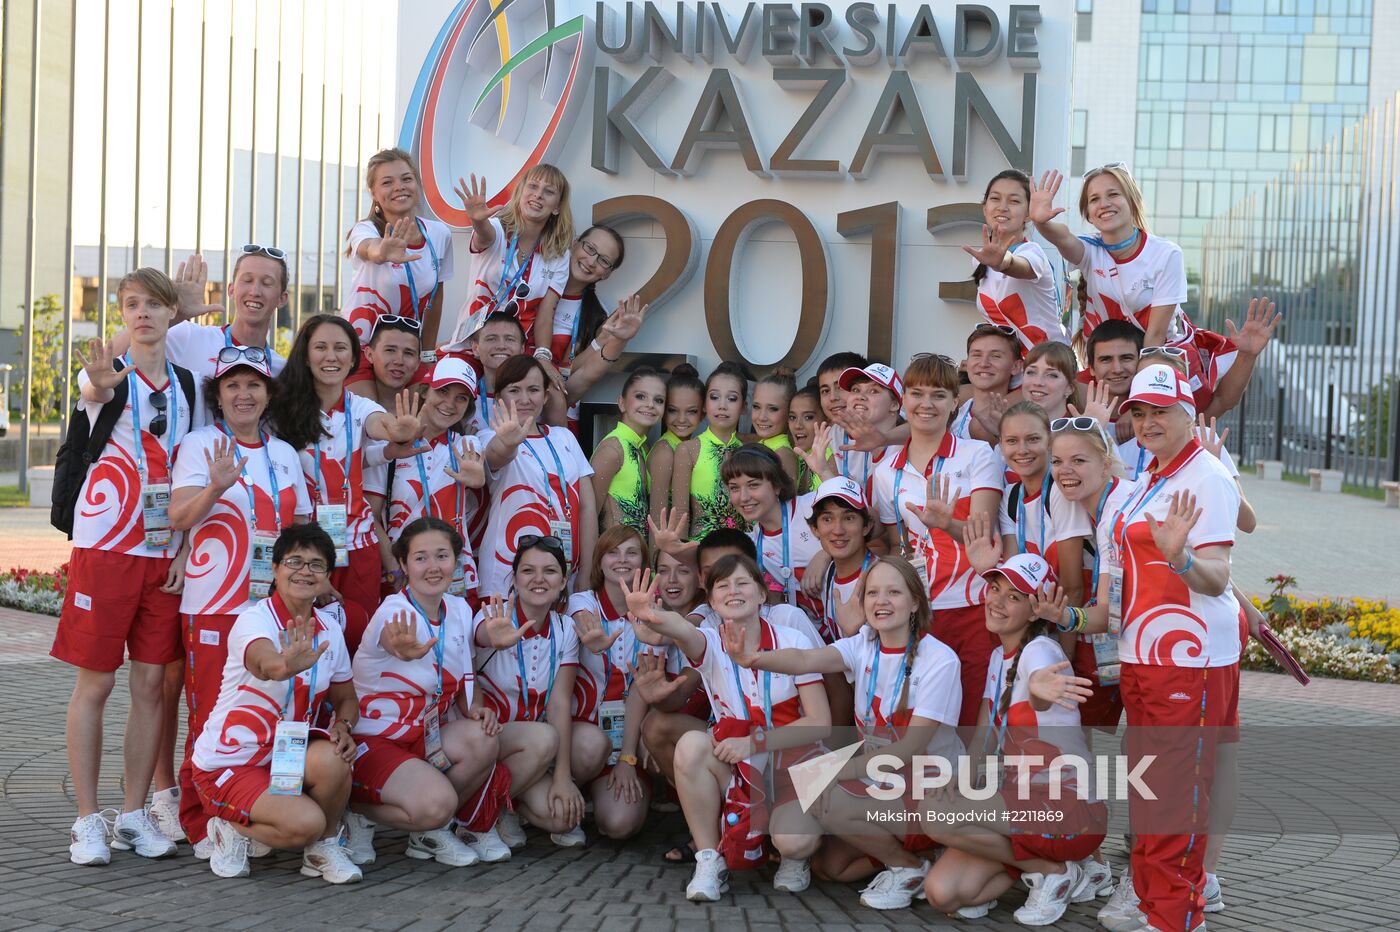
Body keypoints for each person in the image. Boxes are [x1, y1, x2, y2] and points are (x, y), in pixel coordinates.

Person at [1061, 363, 1241, 932]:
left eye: (1160, 410)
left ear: (1189, 411)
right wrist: (1061, 615)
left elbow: (1217, 577)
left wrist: (1180, 556)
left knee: (1173, 798)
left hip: (1189, 661)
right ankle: (1154, 903)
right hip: (1140, 660)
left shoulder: (1206, 477)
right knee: (1149, 793)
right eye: (1138, 412)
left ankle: (1176, 917)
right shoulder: (1146, 482)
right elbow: (1112, 603)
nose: (1147, 421)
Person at [57, 269, 199, 865]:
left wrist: (187, 548)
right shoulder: (109, 379)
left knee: (150, 687)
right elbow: (93, 397)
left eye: (153, 305)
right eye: (130, 305)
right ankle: (88, 819)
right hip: (106, 549)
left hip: (163, 554)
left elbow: (193, 467)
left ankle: (134, 814)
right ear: (122, 315)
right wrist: (94, 386)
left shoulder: (190, 384)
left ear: (172, 315)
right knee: (97, 682)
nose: (142, 314)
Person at [724, 556, 963, 911]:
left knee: (825, 790)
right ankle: (921, 856)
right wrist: (755, 659)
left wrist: (832, 772)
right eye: (872, 593)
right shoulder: (864, 642)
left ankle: (909, 868)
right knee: (832, 867)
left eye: (894, 592)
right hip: (886, 780)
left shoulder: (939, 659)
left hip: (931, 784)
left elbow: (910, 748)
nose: (881, 601)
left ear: (915, 602)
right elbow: (805, 661)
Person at [166, 347, 312, 853]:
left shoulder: (285, 454)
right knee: (210, 714)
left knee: (270, 710)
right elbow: (180, 517)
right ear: (218, 395)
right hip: (214, 603)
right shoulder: (200, 444)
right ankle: (200, 821)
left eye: (253, 385)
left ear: (269, 394)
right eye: (232, 385)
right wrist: (214, 488)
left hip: (274, 607)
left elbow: (300, 531)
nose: (243, 394)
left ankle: (253, 810)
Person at [622, 558, 830, 902]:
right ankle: (709, 859)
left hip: (792, 762)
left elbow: (820, 722)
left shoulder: (793, 638)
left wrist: (755, 742)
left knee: (794, 839)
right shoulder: (709, 641)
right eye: (722, 586)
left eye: (743, 583)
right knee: (691, 745)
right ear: (712, 602)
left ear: (762, 595)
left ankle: (794, 858)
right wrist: (652, 614)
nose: (733, 591)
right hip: (739, 764)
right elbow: (682, 630)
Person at [921, 554, 1108, 925]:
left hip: (1068, 810)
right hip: (1020, 805)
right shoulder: (997, 657)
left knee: (936, 815)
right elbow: (982, 739)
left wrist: (1039, 687)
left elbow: (1039, 684)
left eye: (1015, 597)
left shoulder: (1040, 651)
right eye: (995, 589)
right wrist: (956, 781)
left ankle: (1054, 873)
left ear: (1037, 609)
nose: (997, 601)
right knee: (944, 893)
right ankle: (1051, 867)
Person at [1030, 167, 1277, 418]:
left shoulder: (1165, 254)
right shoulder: (1091, 249)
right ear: (1089, 215)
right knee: (1065, 411)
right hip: (1109, 366)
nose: (1104, 204)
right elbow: (1063, 238)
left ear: (1132, 201)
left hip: (1158, 360)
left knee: (1194, 417)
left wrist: (1137, 402)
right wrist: (1042, 222)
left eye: (1113, 194)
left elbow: (1156, 336)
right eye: (1094, 199)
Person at [190, 524, 361, 883]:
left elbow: (345, 697)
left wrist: (343, 726)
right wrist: (286, 665)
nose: (304, 571)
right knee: (305, 824)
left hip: (286, 755)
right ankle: (231, 828)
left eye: (316, 565)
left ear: (328, 577)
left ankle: (323, 850)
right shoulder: (253, 619)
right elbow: (263, 662)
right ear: (275, 569)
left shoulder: (328, 627)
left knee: (335, 758)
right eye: (294, 561)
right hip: (231, 762)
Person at [342, 517, 511, 868]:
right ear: (403, 565)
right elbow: (391, 637)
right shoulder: (394, 611)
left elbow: (470, 658)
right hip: (376, 741)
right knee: (438, 802)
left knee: (483, 737)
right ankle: (356, 811)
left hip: (424, 737)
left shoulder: (460, 610)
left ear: (456, 562)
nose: (433, 567)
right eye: (420, 558)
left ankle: (429, 830)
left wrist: (478, 705)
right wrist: (400, 647)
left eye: (442, 556)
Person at [269, 314, 423, 648]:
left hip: (359, 548)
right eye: (321, 347)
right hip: (304, 548)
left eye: (340, 348)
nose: (331, 356)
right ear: (305, 356)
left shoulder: (359, 406)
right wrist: (311, 567)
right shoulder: (280, 411)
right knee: (306, 645)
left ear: (354, 358)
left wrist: (396, 432)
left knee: (357, 641)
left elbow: (378, 425)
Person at [871, 353, 1002, 726]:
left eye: (938, 395)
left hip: (973, 607)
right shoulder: (885, 472)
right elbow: (897, 545)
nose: (926, 404)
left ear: (954, 402)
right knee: (920, 719)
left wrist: (946, 524)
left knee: (969, 716)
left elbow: (984, 535)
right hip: (917, 612)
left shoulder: (978, 454)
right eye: (916, 393)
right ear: (904, 401)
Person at [473, 536, 602, 848]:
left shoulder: (565, 629)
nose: (539, 579)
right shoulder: (495, 615)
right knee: (545, 738)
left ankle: (508, 806)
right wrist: (491, 638)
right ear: (514, 579)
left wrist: (562, 778)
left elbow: (559, 703)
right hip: (487, 736)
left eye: (550, 571)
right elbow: (479, 635)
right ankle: (479, 816)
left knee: (565, 817)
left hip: (533, 748)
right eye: (528, 571)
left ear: (562, 582)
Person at [105, 249, 290, 408]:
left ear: (282, 298)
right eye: (247, 280)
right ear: (231, 290)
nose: (255, 291)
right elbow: (109, 359)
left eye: (267, 283)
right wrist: (175, 315)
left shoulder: (282, 369)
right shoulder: (190, 336)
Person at [477, 355, 597, 596]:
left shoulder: (564, 437)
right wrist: (508, 443)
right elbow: (496, 455)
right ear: (499, 397)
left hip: (564, 572)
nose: (524, 399)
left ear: (545, 396)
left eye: (533, 389)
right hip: (506, 572)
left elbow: (587, 507)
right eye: (514, 390)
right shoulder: (487, 438)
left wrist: (586, 571)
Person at [567, 525, 657, 841]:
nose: (622, 560)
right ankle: (570, 793)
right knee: (590, 746)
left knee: (618, 825)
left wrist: (627, 758)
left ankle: (611, 790)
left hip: (628, 740)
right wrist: (591, 637)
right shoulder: (582, 602)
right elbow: (583, 619)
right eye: (613, 552)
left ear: (644, 563)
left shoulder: (654, 615)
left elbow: (643, 689)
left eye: (631, 552)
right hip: (587, 734)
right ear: (599, 561)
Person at [380, 358, 487, 604]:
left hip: (456, 576)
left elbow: (480, 470)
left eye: (461, 398)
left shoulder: (466, 446)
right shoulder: (388, 445)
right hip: (400, 573)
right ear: (425, 391)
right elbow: (372, 515)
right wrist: (395, 569)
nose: (450, 404)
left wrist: (478, 479)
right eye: (443, 391)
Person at [448, 165, 574, 353]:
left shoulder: (559, 253)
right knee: (452, 382)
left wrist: (543, 356)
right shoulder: (496, 228)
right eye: (532, 186)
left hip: (517, 352)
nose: (538, 195)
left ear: (557, 207)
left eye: (548, 191)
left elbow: (546, 314)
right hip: (470, 345)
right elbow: (485, 236)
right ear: (521, 192)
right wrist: (478, 221)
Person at [343, 147, 454, 358]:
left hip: (406, 353)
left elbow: (435, 297)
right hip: (360, 348)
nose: (399, 187)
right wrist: (381, 252)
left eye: (406, 179)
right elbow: (370, 248)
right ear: (373, 193)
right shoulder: (366, 229)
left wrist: (428, 353)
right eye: (387, 182)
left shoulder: (439, 233)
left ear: (417, 185)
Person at [991, 402, 1090, 606]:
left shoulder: (1062, 491)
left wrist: (1057, 639)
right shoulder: (1010, 497)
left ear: (1050, 441)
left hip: (1079, 625)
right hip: (1041, 622)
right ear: (1001, 446)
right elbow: (1014, 579)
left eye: (1033, 439)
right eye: (1012, 441)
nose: (1022, 450)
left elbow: (1073, 589)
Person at [962, 169, 1069, 351]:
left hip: (1050, 365)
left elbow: (1018, 265)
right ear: (984, 207)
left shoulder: (1032, 253)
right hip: (1012, 370)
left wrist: (1002, 263)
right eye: (995, 198)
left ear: (1028, 213)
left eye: (1014, 201)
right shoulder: (981, 258)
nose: (1002, 207)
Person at [548, 225, 626, 429]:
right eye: (590, 248)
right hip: (511, 406)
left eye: (604, 260)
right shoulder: (535, 287)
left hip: (559, 416)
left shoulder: (598, 315)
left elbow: (575, 374)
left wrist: (601, 340)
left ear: (607, 273)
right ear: (575, 244)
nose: (591, 262)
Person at [672, 361, 750, 540]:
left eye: (732, 399)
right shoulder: (688, 450)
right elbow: (680, 512)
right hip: (700, 551)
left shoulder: (749, 451)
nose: (722, 406)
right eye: (714, 397)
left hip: (743, 551)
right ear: (704, 405)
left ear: (744, 407)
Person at [591, 367, 666, 533]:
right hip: (614, 552)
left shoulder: (643, 448)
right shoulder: (611, 451)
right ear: (622, 403)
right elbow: (588, 516)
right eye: (641, 396)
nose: (650, 404)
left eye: (659, 400)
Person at [833, 363, 905, 499]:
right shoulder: (836, 432)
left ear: (894, 405)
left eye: (874, 391)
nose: (860, 396)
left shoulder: (910, 445)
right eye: (855, 390)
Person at [647, 363, 703, 527]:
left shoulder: (695, 446)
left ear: (703, 412)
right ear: (664, 410)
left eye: (691, 411)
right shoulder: (664, 452)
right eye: (673, 410)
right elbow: (657, 520)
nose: (681, 419)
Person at [953, 324, 1024, 444]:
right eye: (976, 355)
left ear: (1016, 367)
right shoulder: (949, 417)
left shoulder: (1024, 423)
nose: (984, 363)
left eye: (995, 356)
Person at [356, 316, 425, 411]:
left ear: (418, 363)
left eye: (408, 353)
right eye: (390, 350)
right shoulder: (348, 408)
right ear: (369, 355)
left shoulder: (427, 416)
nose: (399, 361)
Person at [750, 369, 799, 484]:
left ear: (790, 412)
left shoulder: (783, 454)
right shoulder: (763, 444)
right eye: (756, 407)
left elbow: (786, 501)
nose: (762, 417)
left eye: (773, 409)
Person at [787, 384, 824, 493]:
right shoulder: (796, 455)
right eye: (792, 417)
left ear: (827, 418)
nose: (798, 425)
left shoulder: (832, 458)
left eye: (808, 417)